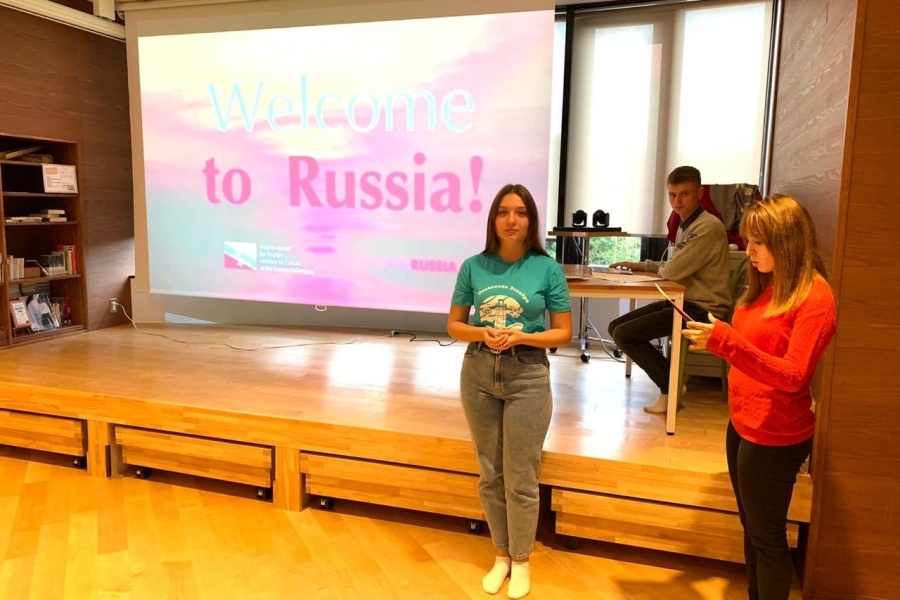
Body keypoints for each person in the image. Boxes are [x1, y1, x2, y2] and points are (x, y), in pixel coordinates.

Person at [682, 194, 837, 600]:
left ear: (787, 242)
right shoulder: (770, 285)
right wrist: (718, 342)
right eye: (747, 240)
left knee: (766, 537)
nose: (747, 250)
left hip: (776, 433)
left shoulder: (815, 298)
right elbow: (754, 351)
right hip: (744, 423)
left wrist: (728, 343)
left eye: (758, 242)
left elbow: (794, 376)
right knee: (752, 529)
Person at [447, 183, 572, 599]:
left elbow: (563, 333)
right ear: (493, 219)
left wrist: (522, 337)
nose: (511, 220)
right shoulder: (473, 266)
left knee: (521, 475)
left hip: (528, 374)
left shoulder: (547, 268)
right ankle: (500, 554)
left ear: (531, 220)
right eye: (503, 212)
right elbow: (454, 325)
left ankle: (521, 559)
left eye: (520, 212)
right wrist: (482, 332)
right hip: (479, 370)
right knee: (490, 472)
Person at [609, 165, 731, 413]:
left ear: (700, 193)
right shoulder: (687, 224)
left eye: (685, 194)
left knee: (625, 335)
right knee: (615, 327)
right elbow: (674, 265)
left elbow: (671, 271)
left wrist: (656, 268)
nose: (677, 201)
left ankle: (670, 386)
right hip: (685, 301)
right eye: (672, 195)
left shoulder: (707, 227)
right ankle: (673, 376)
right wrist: (642, 265)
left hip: (703, 309)